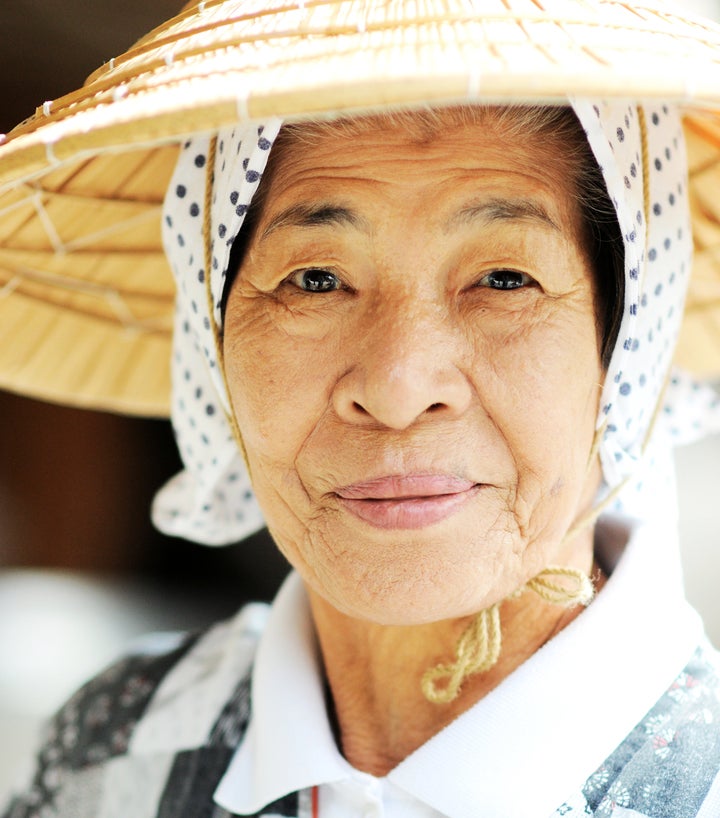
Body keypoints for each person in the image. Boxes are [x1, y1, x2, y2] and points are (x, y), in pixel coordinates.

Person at [1, 2, 720, 816]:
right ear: (216, 336)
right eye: (314, 280)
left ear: (628, 343)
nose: (398, 387)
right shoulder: (114, 757)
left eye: (505, 279)